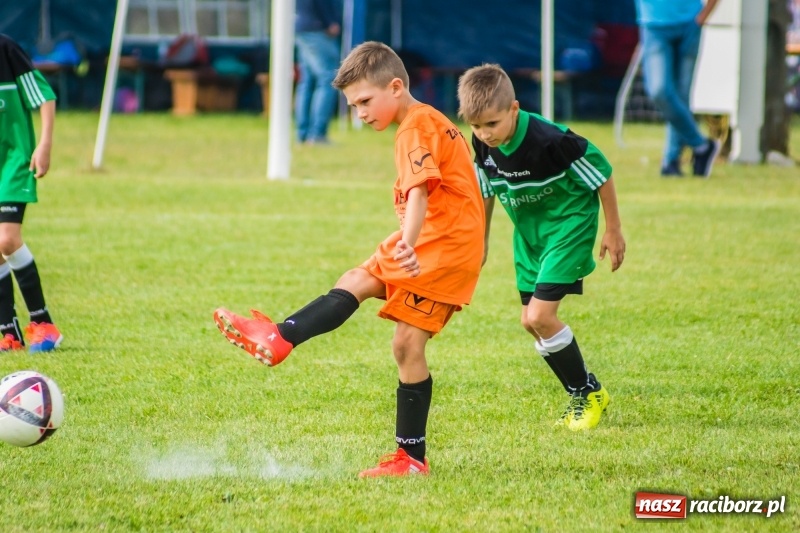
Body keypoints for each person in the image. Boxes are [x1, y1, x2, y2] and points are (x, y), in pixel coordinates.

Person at [214, 41, 484, 477]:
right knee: (356, 279)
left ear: (395, 86)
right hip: (433, 240)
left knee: (406, 345)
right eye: (352, 105)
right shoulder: (426, 120)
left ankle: (411, 460)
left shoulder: (415, 128)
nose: (359, 113)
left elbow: (418, 191)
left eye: (364, 101)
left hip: (441, 250)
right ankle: (279, 336)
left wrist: (409, 243)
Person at [457, 64, 625, 431]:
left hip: (569, 225)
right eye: (476, 127)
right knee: (530, 324)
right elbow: (485, 190)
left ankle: (587, 392)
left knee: (540, 317)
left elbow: (602, 173)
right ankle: (584, 392)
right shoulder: (483, 144)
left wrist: (613, 229)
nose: (485, 134)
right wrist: (480, 240)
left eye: (493, 124)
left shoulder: (551, 139)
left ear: (514, 109)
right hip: (530, 236)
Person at [0, 34, 63, 353]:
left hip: (13, 160)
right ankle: (7, 331)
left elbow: (45, 96)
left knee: (7, 239)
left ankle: (44, 323)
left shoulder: (6, 49)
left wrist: (45, 144)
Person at [634, 0, 721, 177]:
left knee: (681, 97)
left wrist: (703, 16)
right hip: (653, 25)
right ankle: (701, 145)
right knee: (659, 91)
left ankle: (671, 161)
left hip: (690, 24)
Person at [294, 0, 341, 144]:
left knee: (306, 82)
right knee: (327, 80)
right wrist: (329, 22)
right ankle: (317, 134)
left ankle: (303, 134)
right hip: (317, 29)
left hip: (303, 28)